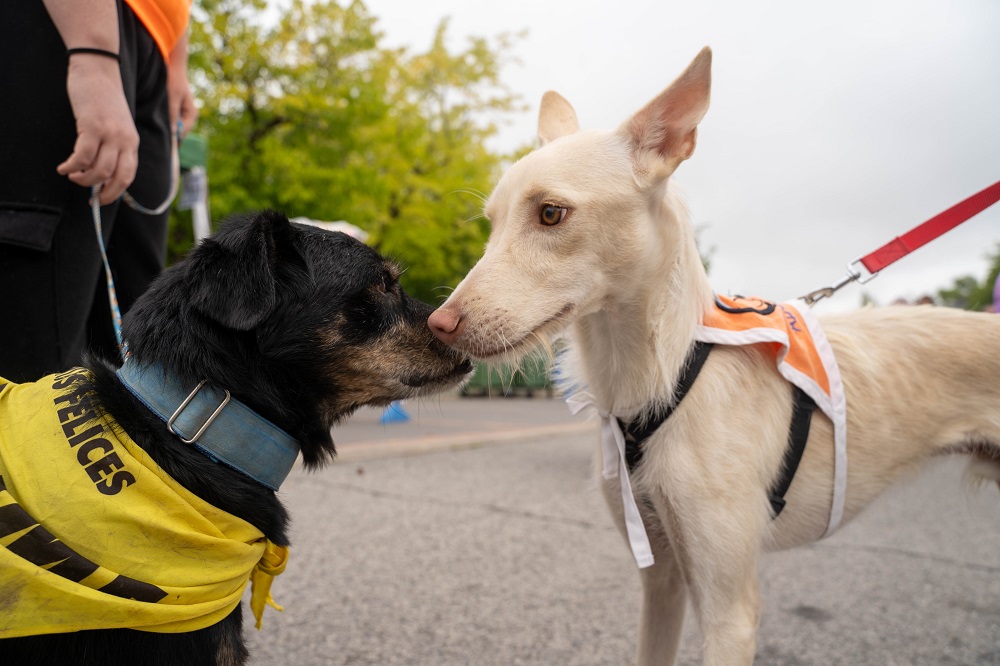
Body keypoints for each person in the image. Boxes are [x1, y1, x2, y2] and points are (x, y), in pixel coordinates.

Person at [0, 0, 196, 383]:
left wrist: (176, 62)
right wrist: (92, 51)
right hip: (69, 21)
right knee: (34, 366)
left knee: (140, 350)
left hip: (151, 41)